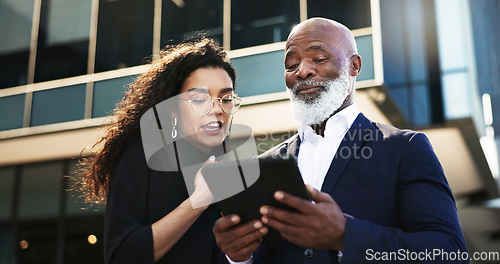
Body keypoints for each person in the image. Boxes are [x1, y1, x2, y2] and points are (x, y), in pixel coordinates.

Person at [212, 18, 468, 263]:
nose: (302, 71)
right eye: (291, 65)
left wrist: (345, 236)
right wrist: (240, 256)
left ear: (354, 66)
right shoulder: (262, 166)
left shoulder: (404, 148)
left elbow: (448, 252)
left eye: (319, 58)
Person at [78, 38, 242, 264]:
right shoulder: (141, 156)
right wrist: (198, 201)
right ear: (172, 109)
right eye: (199, 99)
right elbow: (121, 257)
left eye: (226, 98)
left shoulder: (229, 169)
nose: (217, 109)